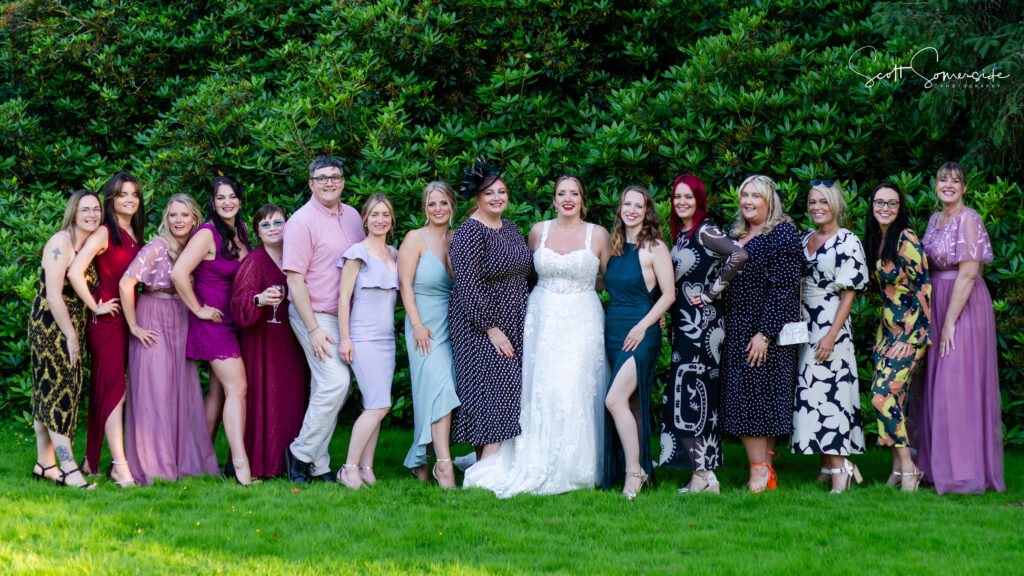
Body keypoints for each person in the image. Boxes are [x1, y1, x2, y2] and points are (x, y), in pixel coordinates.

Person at [464, 174, 612, 497]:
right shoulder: (537, 231)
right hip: (541, 319)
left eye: (574, 193)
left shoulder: (599, 235)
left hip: (582, 318)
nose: (568, 199)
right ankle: (535, 456)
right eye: (562, 193)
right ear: (554, 199)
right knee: (542, 387)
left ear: (583, 200)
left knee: (574, 387)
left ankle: (578, 465)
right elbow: (523, 273)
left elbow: (614, 281)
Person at [120, 194, 220, 486]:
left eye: (185, 215)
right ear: (166, 218)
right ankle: (154, 465)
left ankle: (181, 460)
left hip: (181, 317)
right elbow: (127, 282)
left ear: (195, 219)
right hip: (153, 315)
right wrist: (134, 325)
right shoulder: (157, 246)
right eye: (173, 215)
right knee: (155, 391)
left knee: (181, 390)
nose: (179, 220)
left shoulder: (195, 247)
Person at [917, 162, 1004, 494]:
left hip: (962, 307)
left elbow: (968, 274)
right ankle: (936, 467)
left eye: (955, 181)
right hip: (936, 304)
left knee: (956, 385)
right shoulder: (933, 220)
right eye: (943, 180)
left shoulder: (969, 219)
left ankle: (963, 473)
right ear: (935, 186)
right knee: (936, 384)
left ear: (965, 187)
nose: (949, 185)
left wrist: (950, 322)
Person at [660, 175, 747, 495]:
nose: (682, 202)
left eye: (689, 197)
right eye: (677, 197)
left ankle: (706, 475)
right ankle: (701, 474)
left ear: (699, 201)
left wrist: (712, 293)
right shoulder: (682, 234)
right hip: (686, 326)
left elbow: (739, 254)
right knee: (686, 397)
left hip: (702, 328)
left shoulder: (704, 230)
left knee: (694, 398)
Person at [282, 156, 365, 483]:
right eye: (322, 178)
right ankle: (299, 454)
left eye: (335, 176)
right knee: (336, 383)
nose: (329, 182)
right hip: (313, 313)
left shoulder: (354, 216)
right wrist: (313, 329)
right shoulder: (301, 222)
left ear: (343, 181)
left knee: (327, 388)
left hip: (344, 316)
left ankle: (318, 465)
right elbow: (294, 279)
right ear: (311, 183)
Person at [448, 160, 533, 461]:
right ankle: (484, 470)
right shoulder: (469, 232)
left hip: (514, 321)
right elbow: (467, 286)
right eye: (489, 193)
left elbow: (525, 273)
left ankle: (490, 468)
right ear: (478, 198)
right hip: (480, 326)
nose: (497, 198)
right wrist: (491, 328)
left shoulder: (510, 228)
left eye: (501, 192)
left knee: (500, 395)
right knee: (501, 392)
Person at [722, 174, 802, 493]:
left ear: (770, 201)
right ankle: (766, 472)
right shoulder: (735, 234)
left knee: (755, 401)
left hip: (764, 329)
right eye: (744, 195)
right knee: (754, 399)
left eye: (756, 195)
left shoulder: (782, 234)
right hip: (738, 325)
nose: (748, 201)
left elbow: (785, 288)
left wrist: (765, 333)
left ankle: (758, 474)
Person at [171, 176, 253, 485]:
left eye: (232, 197)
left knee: (218, 392)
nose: (227, 202)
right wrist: (198, 309)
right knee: (238, 388)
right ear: (213, 202)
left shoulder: (240, 230)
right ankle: (240, 465)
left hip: (233, 320)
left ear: (240, 200)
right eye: (221, 198)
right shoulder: (207, 233)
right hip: (213, 323)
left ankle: (197, 461)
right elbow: (179, 273)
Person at [790, 180, 869, 493]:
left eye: (823, 202)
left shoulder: (848, 240)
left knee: (829, 395)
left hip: (830, 323)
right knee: (811, 395)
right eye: (812, 202)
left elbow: (849, 293)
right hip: (805, 324)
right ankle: (827, 464)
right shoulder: (805, 238)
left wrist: (832, 335)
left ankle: (841, 469)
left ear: (836, 205)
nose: (817, 207)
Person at [68, 172, 145, 487]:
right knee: (115, 391)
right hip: (108, 321)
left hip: (127, 320)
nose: (129, 199)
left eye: (134, 194)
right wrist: (95, 305)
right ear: (111, 199)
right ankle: (119, 466)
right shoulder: (104, 232)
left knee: (107, 390)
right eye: (122, 194)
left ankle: (90, 460)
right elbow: (75, 271)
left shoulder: (134, 232)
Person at [603, 185, 675, 500]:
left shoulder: (655, 247)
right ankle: (637, 466)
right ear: (620, 208)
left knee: (614, 400)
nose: (632, 210)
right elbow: (608, 283)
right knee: (630, 404)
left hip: (641, 331)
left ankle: (635, 472)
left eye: (639, 206)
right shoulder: (615, 246)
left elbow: (669, 295)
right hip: (614, 329)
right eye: (627, 204)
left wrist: (644, 325)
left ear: (647, 212)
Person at [28, 190, 103, 488]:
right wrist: (71, 335)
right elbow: (53, 295)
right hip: (51, 325)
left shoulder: (87, 244)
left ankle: (45, 464)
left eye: (96, 209)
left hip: (71, 324)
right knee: (59, 393)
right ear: (73, 212)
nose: (92, 215)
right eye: (85, 210)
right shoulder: (61, 242)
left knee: (47, 391)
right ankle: (69, 469)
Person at [229, 204, 310, 479]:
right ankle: (266, 463)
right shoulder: (254, 261)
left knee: (292, 398)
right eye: (265, 225)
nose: (273, 228)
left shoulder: (296, 256)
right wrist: (258, 299)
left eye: (278, 222)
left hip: (293, 339)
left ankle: (293, 459)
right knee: (268, 398)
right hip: (263, 341)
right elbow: (237, 304)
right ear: (258, 232)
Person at [864, 182, 931, 492]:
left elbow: (923, 287)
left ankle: (909, 469)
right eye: (880, 202)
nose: (885, 208)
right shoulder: (877, 239)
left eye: (892, 203)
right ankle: (896, 469)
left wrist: (910, 335)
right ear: (872, 206)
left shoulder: (906, 238)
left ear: (900, 208)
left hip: (909, 335)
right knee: (895, 400)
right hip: (886, 334)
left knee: (882, 396)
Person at [398, 181, 461, 489]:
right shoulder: (415, 238)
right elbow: (405, 286)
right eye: (431, 204)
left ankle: (421, 461)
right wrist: (418, 325)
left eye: (443, 203)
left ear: (452, 206)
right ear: (424, 208)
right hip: (423, 325)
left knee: (432, 393)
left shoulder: (457, 238)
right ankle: (443, 466)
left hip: (453, 326)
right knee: (440, 389)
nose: (438, 209)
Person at [336, 194, 400, 490]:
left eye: (385, 214)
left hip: (387, 341)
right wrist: (345, 338)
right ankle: (348, 469)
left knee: (376, 405)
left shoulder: (395, 254)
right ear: (365, 219)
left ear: (392, 219)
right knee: (378, 406)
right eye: (374, 214)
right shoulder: (357, 252)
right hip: (362, 338)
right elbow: (343, 298)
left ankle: (366, 468)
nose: (380, 220)